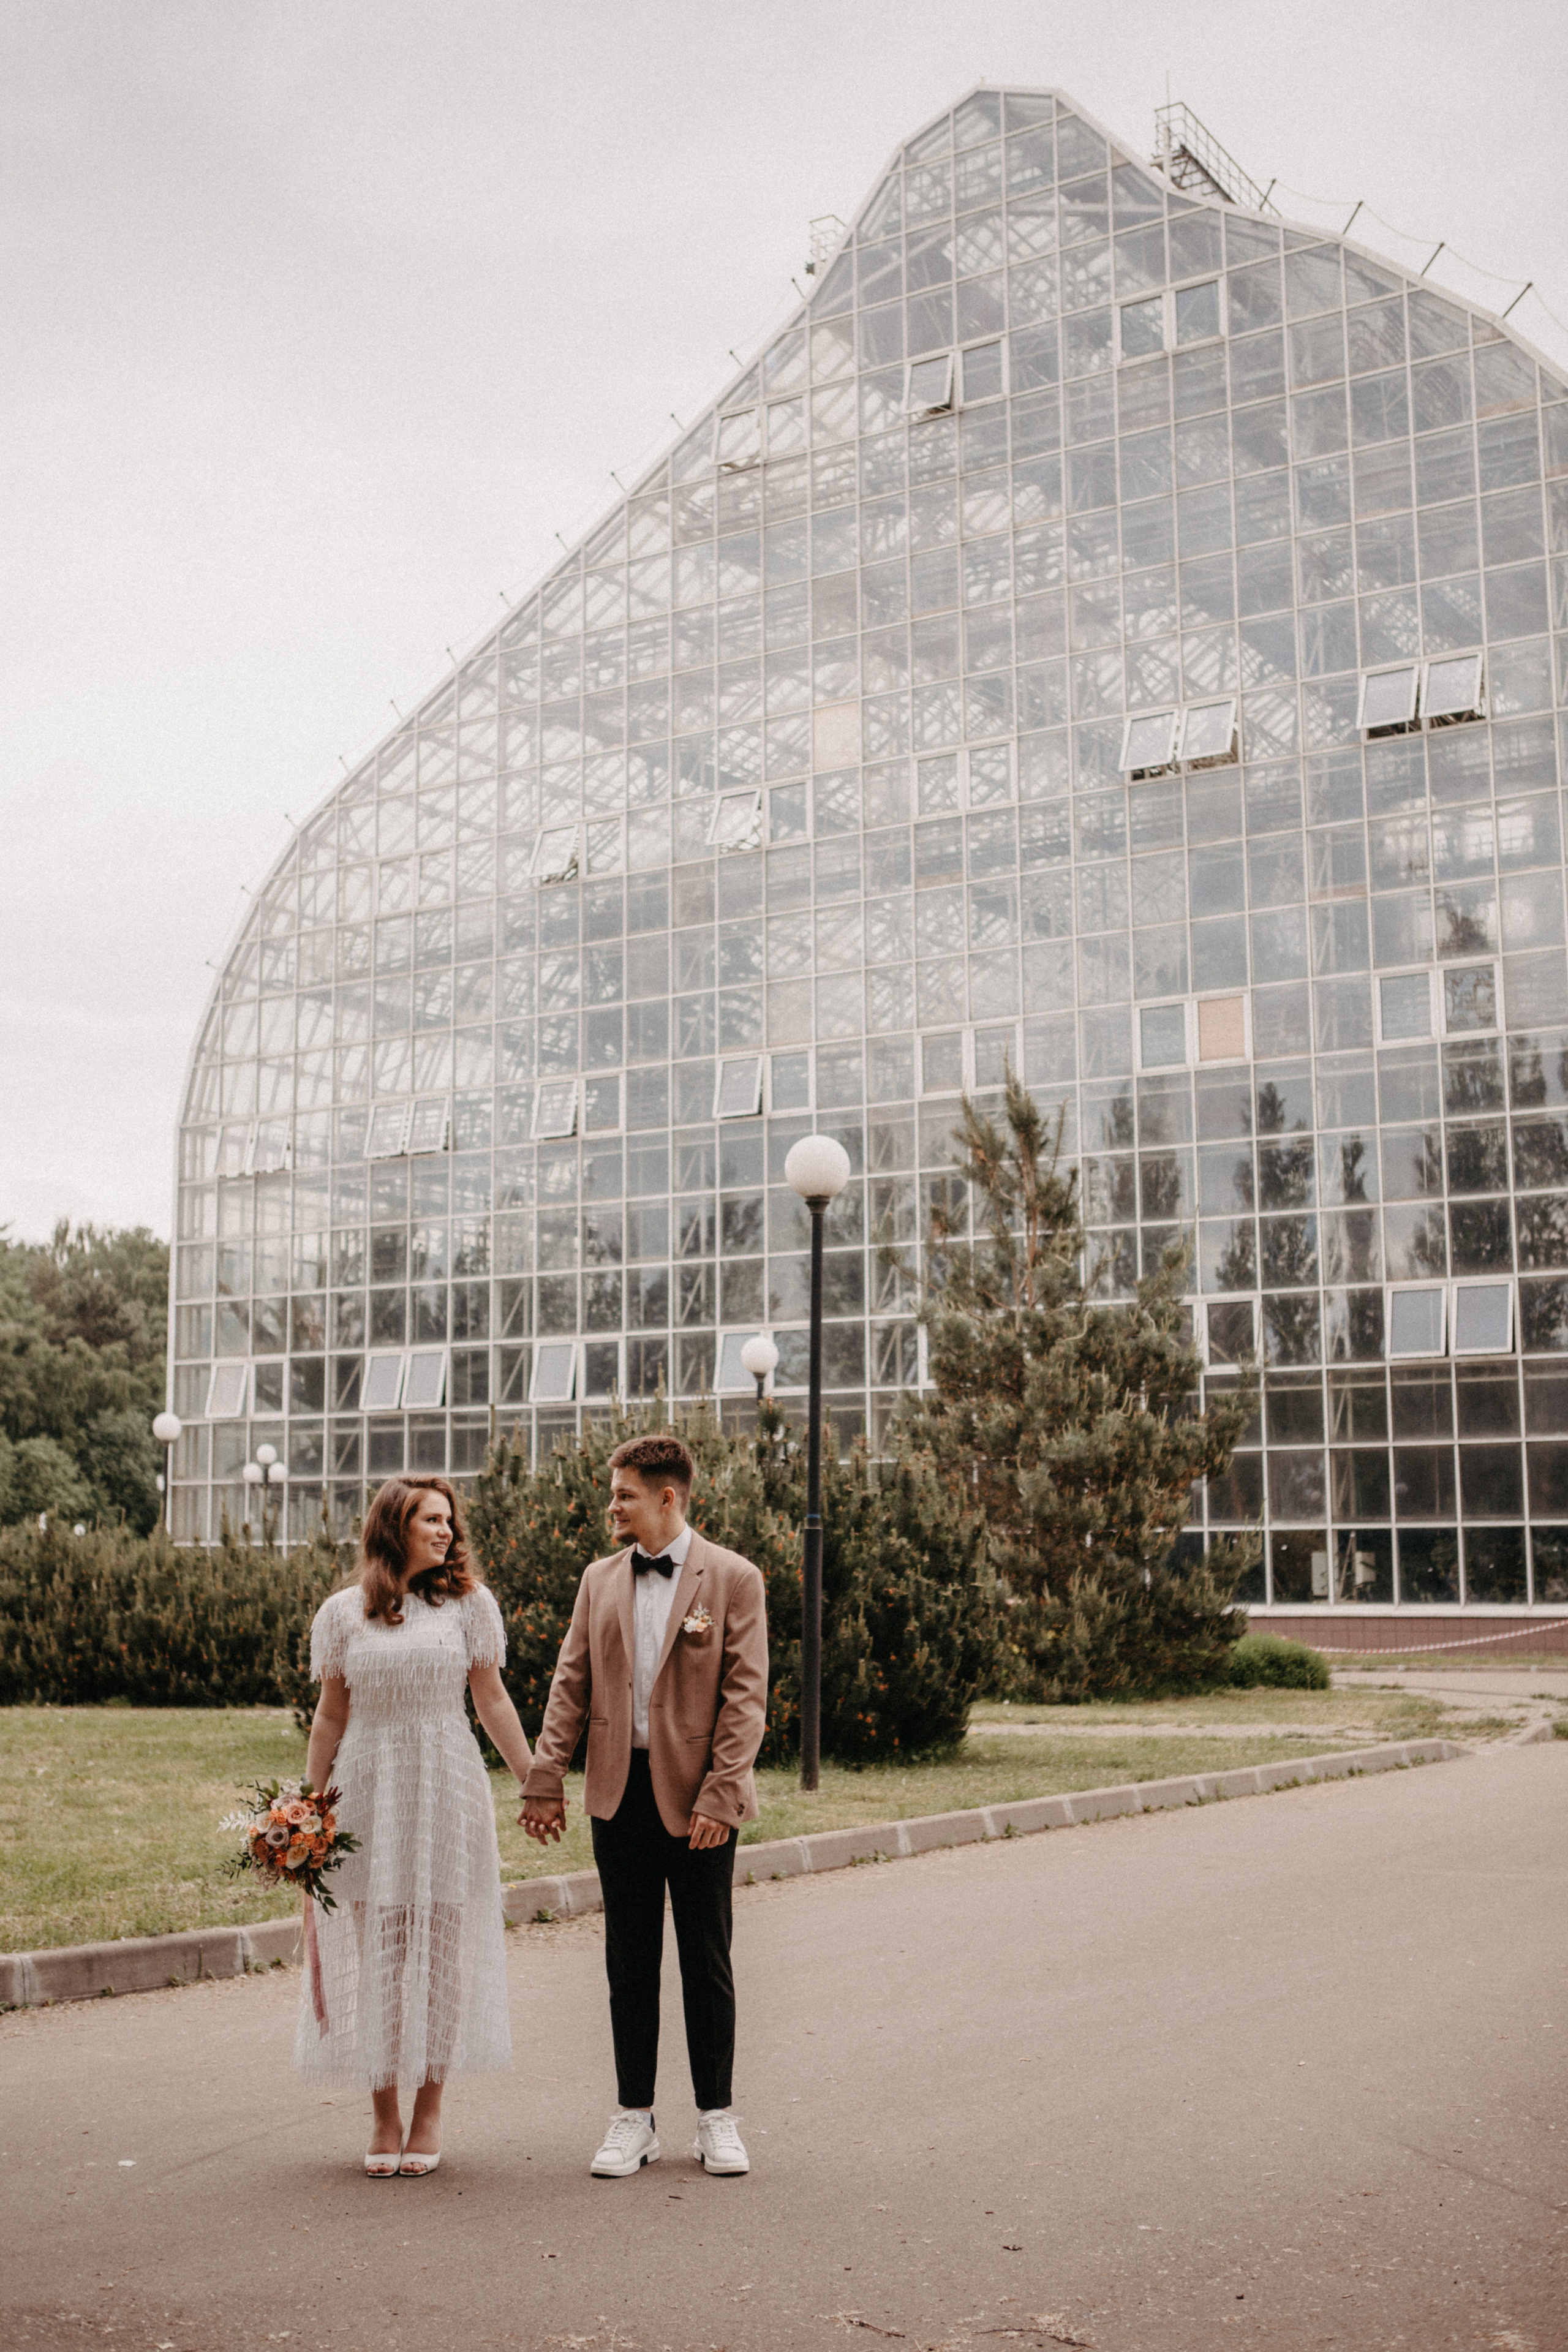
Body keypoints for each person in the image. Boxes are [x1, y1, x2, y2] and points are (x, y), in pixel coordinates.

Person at [521, 1433, 767, 2179]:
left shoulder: (733, 1578)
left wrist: (722, 1796)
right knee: (629, 1962)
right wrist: (544, 1777)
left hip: (699, 1803)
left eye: (624, 1492)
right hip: (616, 1795)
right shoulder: (598, 1580)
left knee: (706, 1960)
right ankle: (634, 2118)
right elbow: (570, 1685)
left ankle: (716, 2118)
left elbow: (745, 1698)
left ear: (667, 1497)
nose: (613, 1504)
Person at [299, 1474, 535, 2176]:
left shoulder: (469, 1606)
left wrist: (536, 1781)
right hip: (367, 1789)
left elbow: (491, 1702)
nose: (446, 1531)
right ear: (394, 1526)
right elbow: (331, 1716)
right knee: (382, 1956)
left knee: (439, 1954)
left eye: (449, 1521)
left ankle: (430, 2110)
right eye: (432, 1519)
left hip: (447, 1785)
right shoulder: (344, 1613)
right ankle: (383, 2114)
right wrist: (309, 1810)